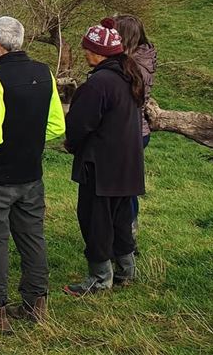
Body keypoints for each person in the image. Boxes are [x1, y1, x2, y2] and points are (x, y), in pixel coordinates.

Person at [0, 17, 66, 333]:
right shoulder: (44, 73)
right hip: (31, 176)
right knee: (33, 239)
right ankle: (36, 306)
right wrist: (29, 142)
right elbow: (57, 126)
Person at [64, 18, 146, 296]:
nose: (85, 52)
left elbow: (78, 125)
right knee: (120, 220)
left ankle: (100, 278)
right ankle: (126, 269)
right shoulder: (129, 76)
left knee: (94, 220)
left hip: (101, 168)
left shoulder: (98, 84)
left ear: (98, 52)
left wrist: (72, 145)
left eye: (87, 48)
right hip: (128, 165)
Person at [114, 14, 155, 249]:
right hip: (139, 129)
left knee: (123, 189)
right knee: (127, 187)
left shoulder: (132, 65)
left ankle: (126, 238)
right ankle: (127, 234)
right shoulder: (145, 57)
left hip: (128, 132)